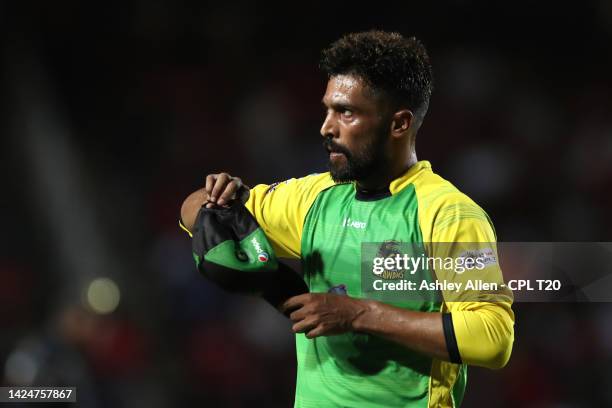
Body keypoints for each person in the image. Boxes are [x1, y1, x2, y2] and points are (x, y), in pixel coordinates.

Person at [180, 30, 514, 408]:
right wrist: (220, 211)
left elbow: (493, 338)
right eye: (327, 109)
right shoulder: (312, 198)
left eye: (346, 112)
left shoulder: (448, 214)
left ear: (399, 123)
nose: (326, 126)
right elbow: (194, 208)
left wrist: (359, 314)